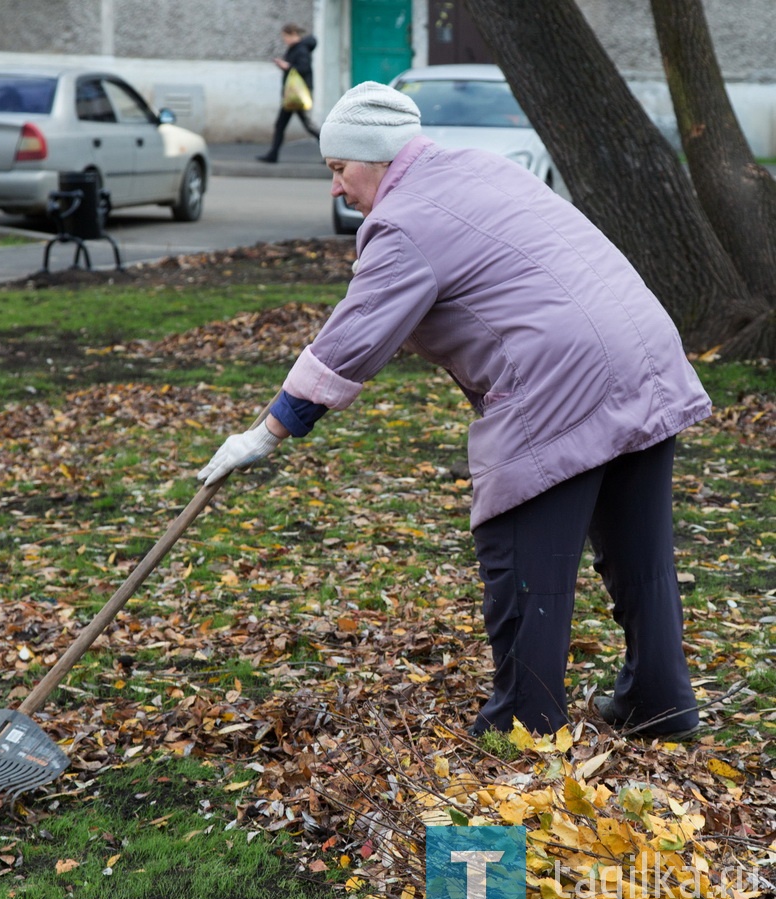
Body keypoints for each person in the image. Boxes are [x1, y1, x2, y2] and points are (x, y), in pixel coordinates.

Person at [199, 81, 713, 739]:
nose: (335, 187)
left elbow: (352, 339)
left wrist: (266, 433)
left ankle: (524, 726)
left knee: (523, 551)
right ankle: (661, 706)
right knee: (639, 551)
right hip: (643, 355)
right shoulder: (477, 167)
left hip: (561, 378)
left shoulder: (406, 221)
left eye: (338, 169)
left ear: (376, 157)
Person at [257, 23, 321, 163]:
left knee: (307, 125)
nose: (284, 40)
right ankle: (272, 154)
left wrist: (287, 66)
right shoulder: (296, 48)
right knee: (283, 124)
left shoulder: (301, 49)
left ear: (293, 34)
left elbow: (303, 68)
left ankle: (330, 152)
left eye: (285, 36)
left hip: (297, 95)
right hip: (293, 94)